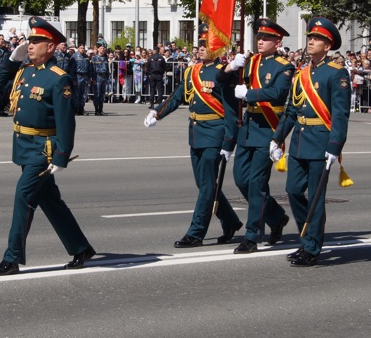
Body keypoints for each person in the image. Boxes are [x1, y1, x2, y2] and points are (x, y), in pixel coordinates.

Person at [0, 17, 95, 277]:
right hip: (24, 146)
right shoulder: (25, 71)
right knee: (50, 201)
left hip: (43, 150)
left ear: (51, 47)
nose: (30, 45)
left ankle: (11, 258)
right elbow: (0, 85)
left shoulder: (59, 79)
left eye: (37, 41)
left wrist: (61, 156)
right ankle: (81, 247)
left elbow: (66, 123)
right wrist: (12, 60)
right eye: (30, 41)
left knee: (24, 197)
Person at [144, 23, 243, 248]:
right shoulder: (192, 71)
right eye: (198, 45)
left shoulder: (224, 73)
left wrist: (230, 140)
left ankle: (196, 233)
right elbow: (177, 96)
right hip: (196, 133)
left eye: (205, 45)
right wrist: (157, 113)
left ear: (216, 49)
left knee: (207, 185)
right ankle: (230, 221)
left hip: (216, 133)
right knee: (204, 184)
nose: (199, 49)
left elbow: (231, 109)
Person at [269, 17, 350, 267]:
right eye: (310, 38)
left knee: (315, 197)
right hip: (300, 143)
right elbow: (292, 111)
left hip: (321, 144)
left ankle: (312, 247)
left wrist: (335, 147)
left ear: (328, 46)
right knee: (293, 190)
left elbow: (340, 114)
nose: (311, 41)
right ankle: (308, 237)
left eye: (317, 39)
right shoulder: (302, 73)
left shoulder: (336, 74)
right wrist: (277, 139)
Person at [217, 18, 294, 254]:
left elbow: (277, 93)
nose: (260, 41)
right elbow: (222, 83)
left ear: (277, 41)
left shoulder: (284, 66)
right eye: (259, 37)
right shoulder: (250, 62)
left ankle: (251, 236)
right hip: (248, 129)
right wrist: (230, 68)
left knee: (257, 185)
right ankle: (277, 216)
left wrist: (249, 93)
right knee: (242, 180)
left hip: (268, 129)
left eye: (266, 38)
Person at [90, 45, 110, 115]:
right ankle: (96, 110)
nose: (102, 49)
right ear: (98, 49)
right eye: (101, 48)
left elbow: (107, 68)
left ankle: (101, 109)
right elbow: (92, 69)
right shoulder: (94, 58)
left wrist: (107, 77)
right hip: (97, 77)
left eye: (103, 48)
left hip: (104, 77)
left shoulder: (105, 57)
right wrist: (93, 78)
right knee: (97, 94)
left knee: (102, 94)